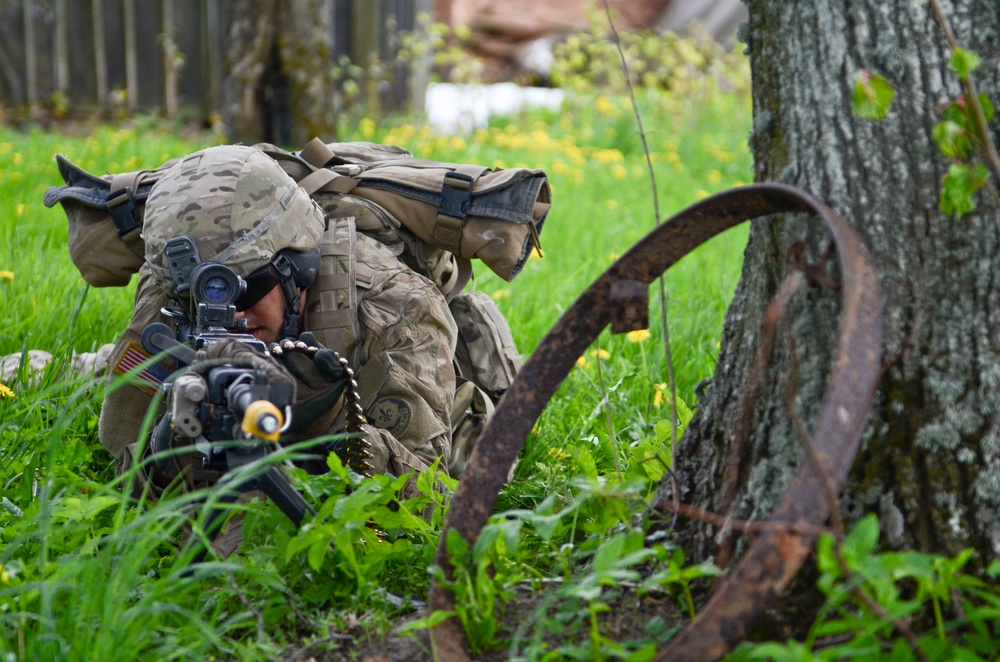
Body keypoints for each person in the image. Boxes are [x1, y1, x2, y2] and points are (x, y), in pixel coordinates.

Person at [99, 144, 458, 493]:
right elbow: (122, 469)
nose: (232, 312)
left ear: (297, 267)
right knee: (94, 374)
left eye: (249, 287)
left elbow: (428, 500)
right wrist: (167, 459)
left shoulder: (396, 307)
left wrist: (329, 424)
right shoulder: (168, 294)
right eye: (199, 296)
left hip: (406, 390)